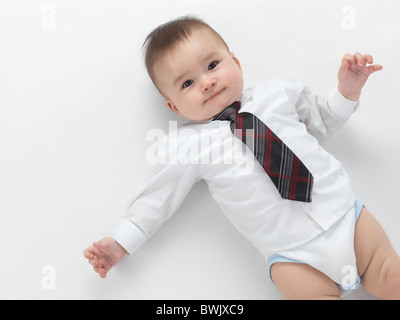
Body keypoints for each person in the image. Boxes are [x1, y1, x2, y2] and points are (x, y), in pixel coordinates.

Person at [84, 16, 400, 299]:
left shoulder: (277, 94)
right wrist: (120, 242)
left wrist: (346, 90)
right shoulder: (188, 145)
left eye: (212, 66)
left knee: (390, 275)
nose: (206, 82)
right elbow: (157, 197)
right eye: (188, 83)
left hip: (346, 216)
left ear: (235, 62)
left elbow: (323, 119)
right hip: (291, 256)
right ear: (175, 108)